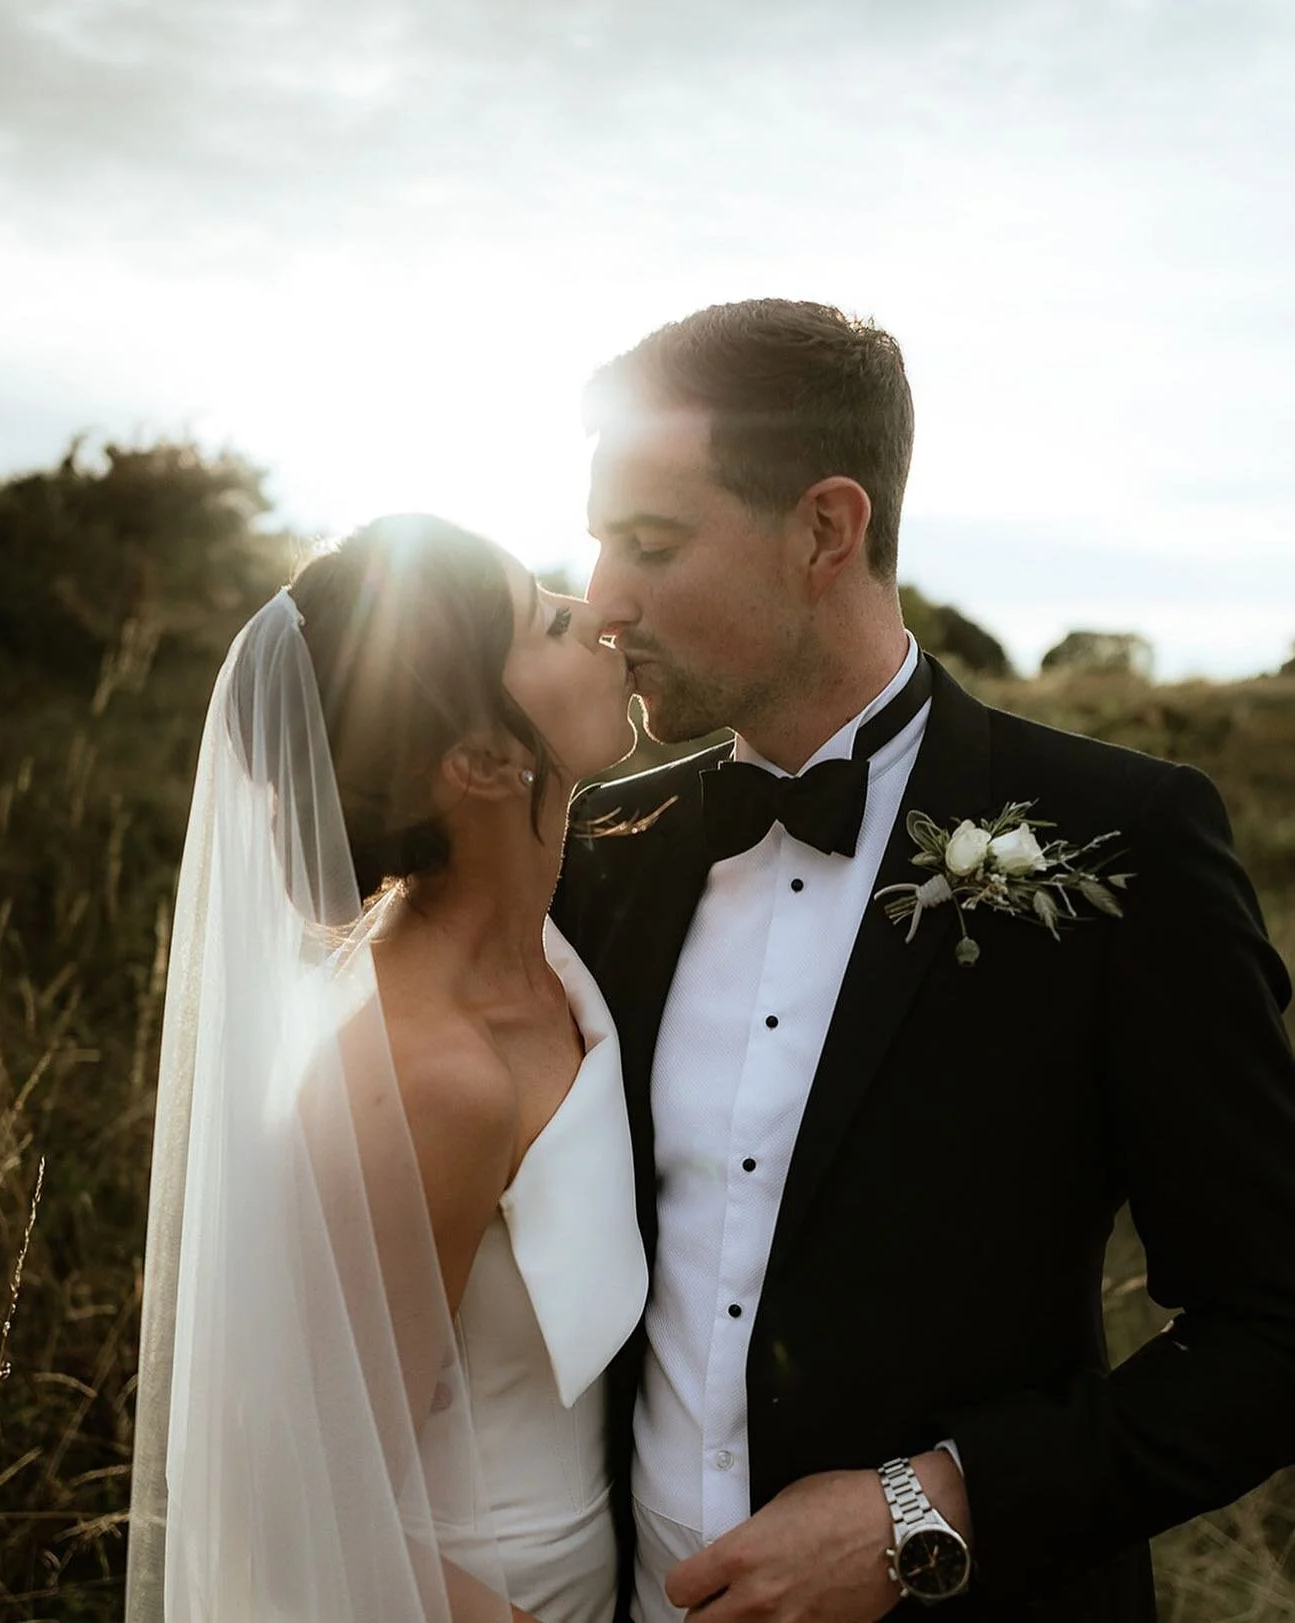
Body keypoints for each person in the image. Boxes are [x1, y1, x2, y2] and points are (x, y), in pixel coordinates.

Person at [553, 299, 1295, 1621]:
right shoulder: (591, 846)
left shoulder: (1119, 840)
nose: (602, 597)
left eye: (649, 543)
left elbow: (1272, 1325)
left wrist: (928, 1506)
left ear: (824, 530)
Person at [126, 515, 648, 1622]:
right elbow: (297, 1503)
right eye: (549, 622)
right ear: (478, 760)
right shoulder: (430, 1076)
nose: (599, 614)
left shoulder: (552, 960)